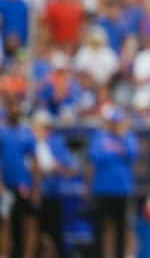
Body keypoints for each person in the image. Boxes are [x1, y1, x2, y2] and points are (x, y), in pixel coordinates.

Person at [88, 107, 139, 258]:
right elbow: (97, 157)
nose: (115, 124)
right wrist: (117, 153)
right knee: (105, 227)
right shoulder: (99, 136)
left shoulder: (128, 136)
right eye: (112, 122)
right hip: (103, 188)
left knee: (123, 227)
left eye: (117, 121)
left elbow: (132, 155)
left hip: (122, 189)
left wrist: (120, 140)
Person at [32, 109, 77, 258]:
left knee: (54, 233)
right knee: (32, 234)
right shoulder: (28, 141)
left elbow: (72, 168)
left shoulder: (56, 142)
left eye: (46, 127)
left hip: (51, 194)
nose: (44, 130)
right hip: (30, 195)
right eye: (40, 126)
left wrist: (59, 168)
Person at [1, 97, 40, 258]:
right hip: (6, 186)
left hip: (25, 185)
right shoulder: (2, 132)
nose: (15, 110)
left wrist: (37, 187)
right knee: (5, 222)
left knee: (29, 222)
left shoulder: (27, 133)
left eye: (17, 106)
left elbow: (34, 161)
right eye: (12, 106)